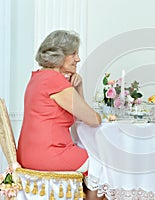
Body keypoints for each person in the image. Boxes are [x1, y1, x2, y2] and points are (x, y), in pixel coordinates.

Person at [17, 30, 103, 200]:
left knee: (92, 157)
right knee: (102, 161)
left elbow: (79, 114)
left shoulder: (39, 77)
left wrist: (78, 87)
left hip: (30, 153)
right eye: (73, 54)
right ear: (59, 55)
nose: (77, 59)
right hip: (48, 155)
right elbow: (93, 119)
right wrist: (75, 88)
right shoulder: (54, 81)